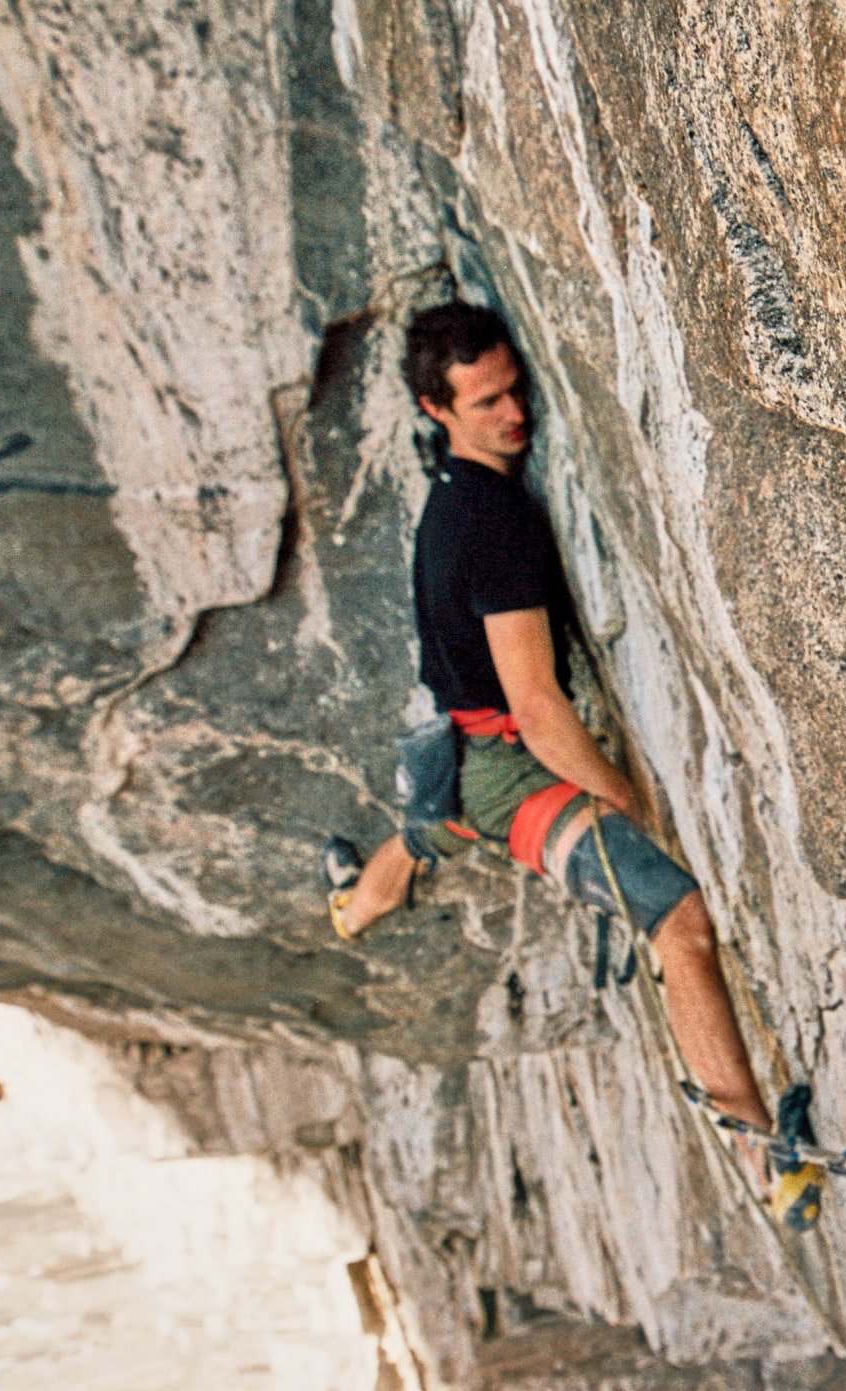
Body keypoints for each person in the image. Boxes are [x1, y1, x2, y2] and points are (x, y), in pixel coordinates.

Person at [324, 301, 779, 1179]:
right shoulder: (496, 523)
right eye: (486, 401)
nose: (515, 414)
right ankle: (764, 1154)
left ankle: (354, 905)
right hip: (507, 768)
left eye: (515, 388)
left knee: (434, 831)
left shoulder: (452, 498)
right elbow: (537, 707)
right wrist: (620, 794)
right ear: (437, 411)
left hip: (457, 756)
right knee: (676, 920)